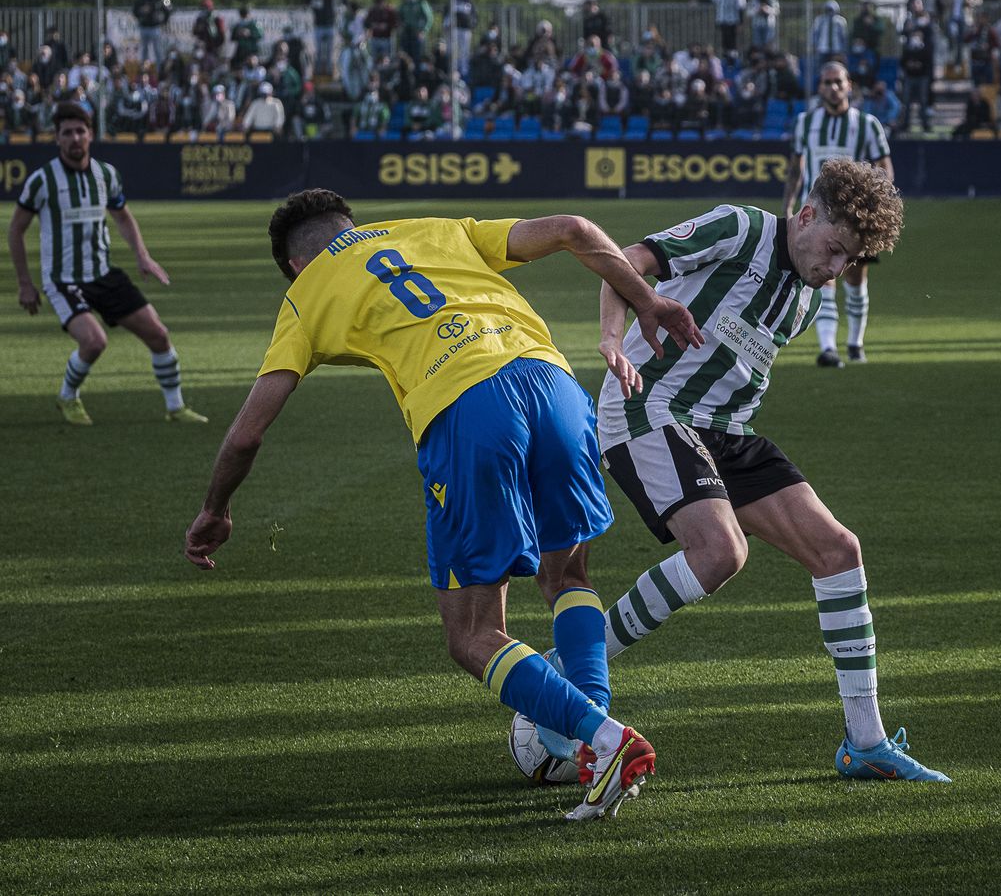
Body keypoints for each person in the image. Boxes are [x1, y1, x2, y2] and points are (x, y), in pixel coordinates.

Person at [183, 189, 704, 820]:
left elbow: (247, 431)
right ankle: (589, 741)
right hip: (554, 382)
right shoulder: (433, 228)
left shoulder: (307, 292)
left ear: (296, 264)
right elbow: (571, 226)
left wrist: (216, 508)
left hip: (467, 407)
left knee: (473, 633)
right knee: (567, 574)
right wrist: (647, 300)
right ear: (354, 226)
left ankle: (604, 738)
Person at [512, 159, 948, 785]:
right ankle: (572, 667)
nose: (835, 270)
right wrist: (611, 339)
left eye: (849, 262)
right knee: (721, 552)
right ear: (804, 215)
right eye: (832, 249)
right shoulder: (740, 229)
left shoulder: (803, 295)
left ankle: (866, 740)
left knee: (838, 550)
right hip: (647, 408)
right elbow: (622, 264)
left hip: (725, 432)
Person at [8, 104, 206, 426]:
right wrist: (25, 283)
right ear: (57, 139)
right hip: (63, 279)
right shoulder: (42, 181)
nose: (75, 138)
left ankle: (175, 407)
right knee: (94, 341)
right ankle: (67, 397)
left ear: (91, 134)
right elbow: (16, 229)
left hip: (103, 273)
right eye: (67, 132)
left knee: (158, 334)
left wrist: (143, 255)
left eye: (80, 131)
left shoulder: (106, 174)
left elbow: (123, 216)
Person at [782, 62, 892, 367]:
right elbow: (796, 167)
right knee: (823, 273)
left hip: (855, 217)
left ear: (849, 85)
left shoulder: (868, 124)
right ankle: (828, 347)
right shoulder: (805, 123)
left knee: (856, 280)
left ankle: (855, 343)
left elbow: (884, 168)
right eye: (826, 82)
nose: (832, 87)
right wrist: (788, 204)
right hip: (819, 214)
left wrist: (878, 211)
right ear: (819, 87)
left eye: (837, 81)